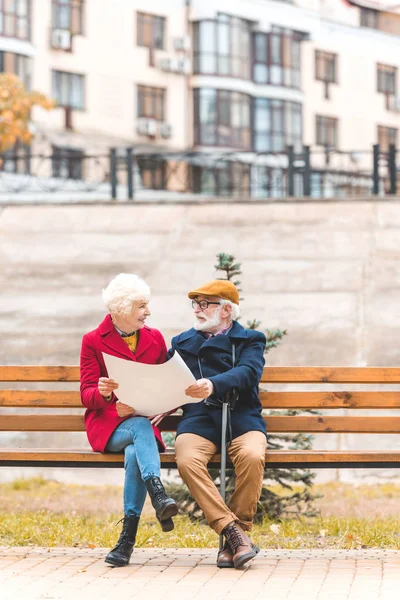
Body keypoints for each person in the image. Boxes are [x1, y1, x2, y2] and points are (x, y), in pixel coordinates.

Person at [80, 273, 178, 567]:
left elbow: (167, 383)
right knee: (137, 426)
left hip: (143, 432)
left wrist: (167, 407)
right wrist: (105, 396)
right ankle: (158, 493)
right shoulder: (93, 341)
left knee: (137, 448)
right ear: (121, 309)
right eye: (141, 306)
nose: (148, 312)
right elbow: (86, 394)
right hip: (109, 427)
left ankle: (126, 541)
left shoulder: (154, 338)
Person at [169, 280, 267, 569]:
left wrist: (213, 384)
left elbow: (248, 373)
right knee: (187, 460)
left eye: (205, 304)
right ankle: (234, 533)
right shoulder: (182, 342)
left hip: (241, 416)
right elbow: (168, 378)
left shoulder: (250, 339)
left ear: (225, 310)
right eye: (195, 304)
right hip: (199, 419)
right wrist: (160, 403)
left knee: (252, 456)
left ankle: (232, 543)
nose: (197, 310)